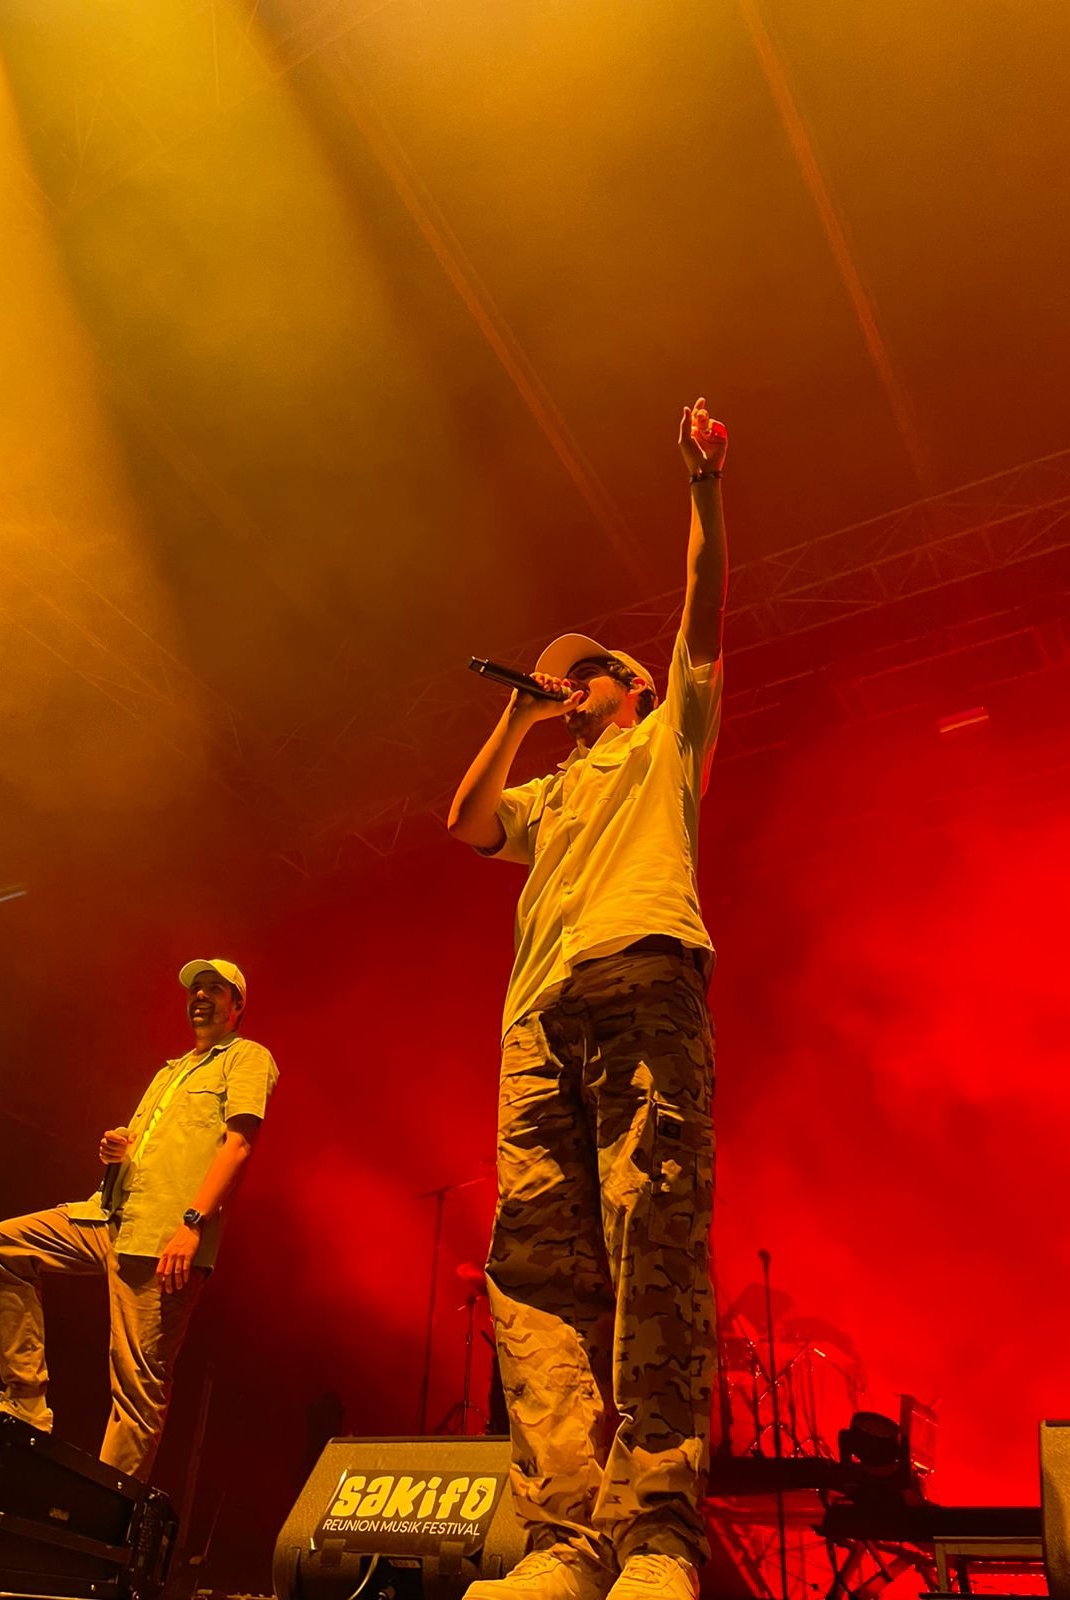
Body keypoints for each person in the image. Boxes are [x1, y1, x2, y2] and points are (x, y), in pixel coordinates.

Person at [447, 399, 729, 1600]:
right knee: (533, 1265)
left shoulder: (667, 739)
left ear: (630, 682)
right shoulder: (551, 790)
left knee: (649, 1232)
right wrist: (518, 712)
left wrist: (704, 489)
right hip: (536, 1016)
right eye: (559, 680)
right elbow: (465, 821)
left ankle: (656, 1532)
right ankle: (565, 1539)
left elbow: (704, 615)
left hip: (638, 973)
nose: (569, 686)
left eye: (583, 674)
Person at [0, 958, 278, 1480]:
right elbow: (161, 1147)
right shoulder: (170, 1071)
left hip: (163, 1238)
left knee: (137, 1387)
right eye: (195, 989)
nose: (200, 996)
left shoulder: (247, 1057)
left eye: (214, 989)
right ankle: (25, 1400)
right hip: (109, 1218)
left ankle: (105, 1515)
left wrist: (192, 1224)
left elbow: (238, 1145)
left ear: (237, 1006)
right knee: (4, 1246)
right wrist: (121, 1151)